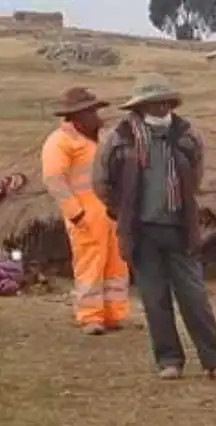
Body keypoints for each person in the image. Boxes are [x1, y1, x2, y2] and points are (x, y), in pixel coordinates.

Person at [92, 73, 216, 384]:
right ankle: (169, 359)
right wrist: (124, 211)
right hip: (142, 231)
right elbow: (102, 182)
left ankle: (215, 361)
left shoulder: (187, 137)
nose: (161, 108)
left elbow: (196, 177)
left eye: (165, 102)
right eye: (154, 103)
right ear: (141, 106)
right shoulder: (120, 139)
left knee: (195, 297)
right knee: (155, 298)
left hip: (179, 228)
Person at [42, 87, 130, 335]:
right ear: (76, 116)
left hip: (112, 212)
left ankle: (114, 313)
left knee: (117, 264)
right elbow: (54, 180)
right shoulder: (60, 141)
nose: (96, 115)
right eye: (90, 111)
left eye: (95, 110)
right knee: (90, 264)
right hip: (86, 213)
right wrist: (75, 213)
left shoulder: (103, 138)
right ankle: (90, 316)